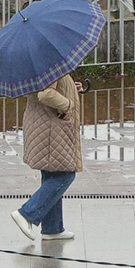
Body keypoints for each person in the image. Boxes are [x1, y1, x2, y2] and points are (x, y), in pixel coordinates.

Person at [10, 69, 82, 242]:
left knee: (52, 173)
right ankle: (26, 213)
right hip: (50, 127)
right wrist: (67, 105)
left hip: (42, 124)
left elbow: (48, 87)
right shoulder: (51, 63)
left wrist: (71, 87)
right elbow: (46, 94)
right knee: (65, 175)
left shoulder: (39, 61)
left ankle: (53, 228)